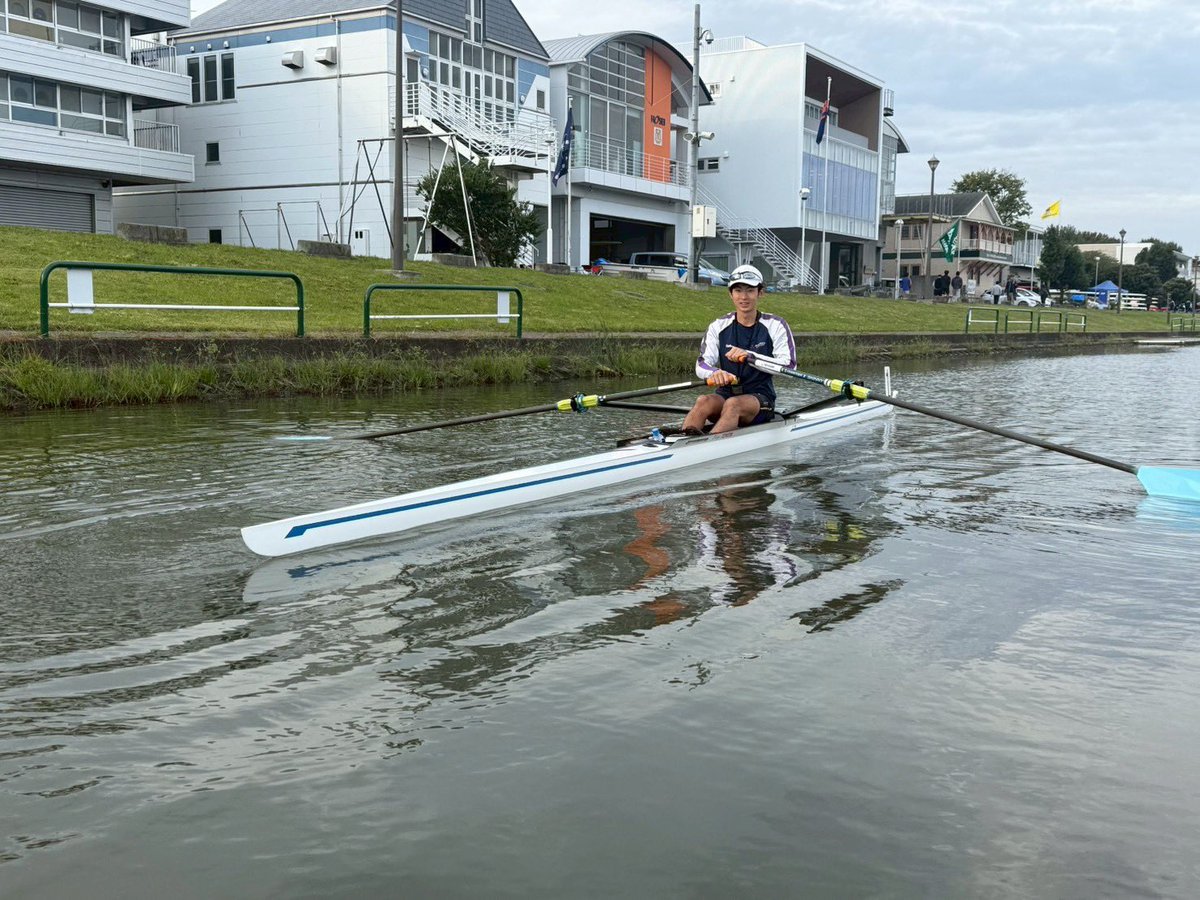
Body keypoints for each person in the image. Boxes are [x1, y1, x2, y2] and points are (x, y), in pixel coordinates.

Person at [682, 264, 797, 435]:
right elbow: (702, 364)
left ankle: (707, 449)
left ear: (760, 293)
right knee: (703, 401)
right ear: (731, 294)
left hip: (760, 399)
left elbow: (789, 366)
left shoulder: (776, 325)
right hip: (725, 394)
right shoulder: (718, 326)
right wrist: (714, 373)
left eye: (750, 290)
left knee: (733, 404)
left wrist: (751, 357)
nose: (744, 297)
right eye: (738, 290)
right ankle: (680, 442)